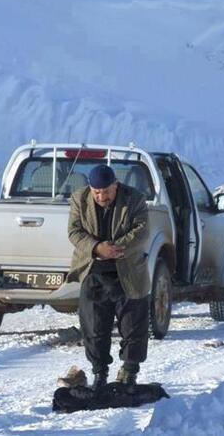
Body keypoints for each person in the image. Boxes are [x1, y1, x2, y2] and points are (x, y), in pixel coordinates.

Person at [66, 164, 150, 391]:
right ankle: (99, 374)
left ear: (116, 185)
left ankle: (129, 372)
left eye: (106, 191)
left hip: (128, 273)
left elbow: (142, 230)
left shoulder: (134, 199)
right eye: (97, 192)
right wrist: (96, 248)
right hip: (94, 272)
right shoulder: (79, 199)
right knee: (94, 328)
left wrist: (116, 248)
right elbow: (74, 232)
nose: (101, 196)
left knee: (134, 327)